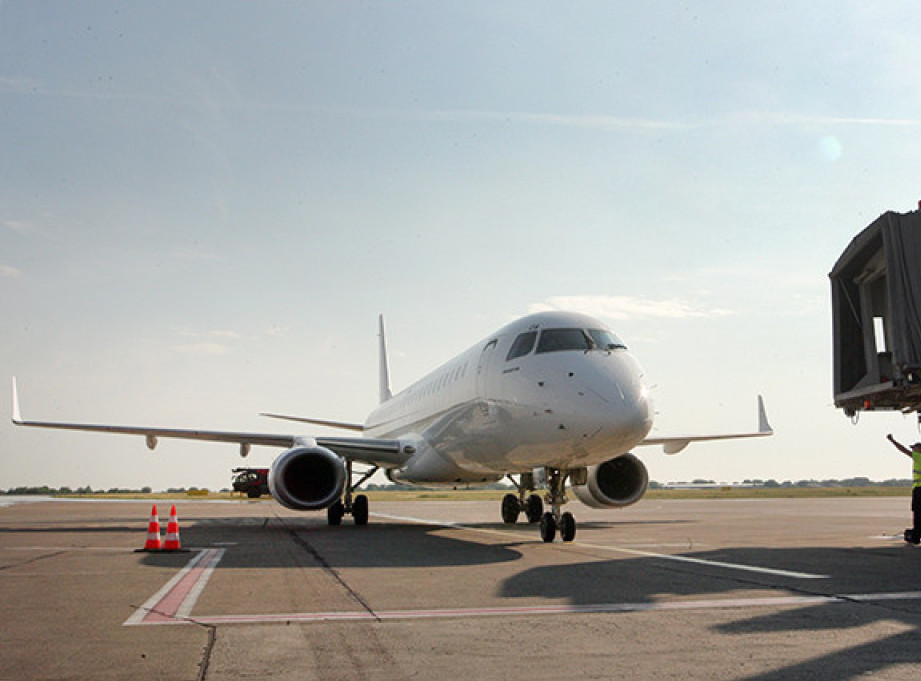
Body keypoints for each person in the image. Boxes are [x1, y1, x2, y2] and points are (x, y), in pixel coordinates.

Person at [886, 434, 921, 544]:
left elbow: (903, 450)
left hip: (919, 490)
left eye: (914, 448)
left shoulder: (918, 457)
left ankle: (916, 536)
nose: (913, 450)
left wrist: (893, 441)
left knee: (917, 513)